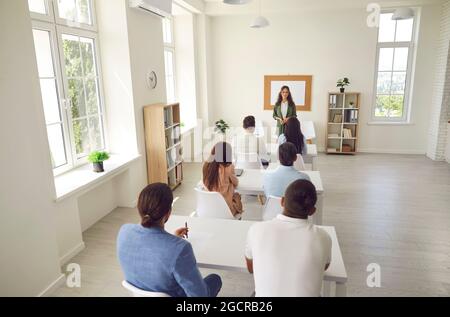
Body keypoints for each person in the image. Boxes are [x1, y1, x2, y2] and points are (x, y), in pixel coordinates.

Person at [117, 183, 222, 297]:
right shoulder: (181, 249)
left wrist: (174, 240)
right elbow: (199, 295)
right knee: (215, 279)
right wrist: (175, 244)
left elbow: (151, 251)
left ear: (139, 207)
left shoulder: (124, 232)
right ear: (168, 213)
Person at [245, 179, 332, 297]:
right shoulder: (323, 237)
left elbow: (251, 268)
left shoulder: (256, 230)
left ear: (282, 201)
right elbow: (324, 267)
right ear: (312, 211)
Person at [203, 142, 243, 217]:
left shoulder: (206, 166)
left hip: (210, 209)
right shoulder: (229, 167)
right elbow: (236, 183)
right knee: (237, 196)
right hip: (226, 210)